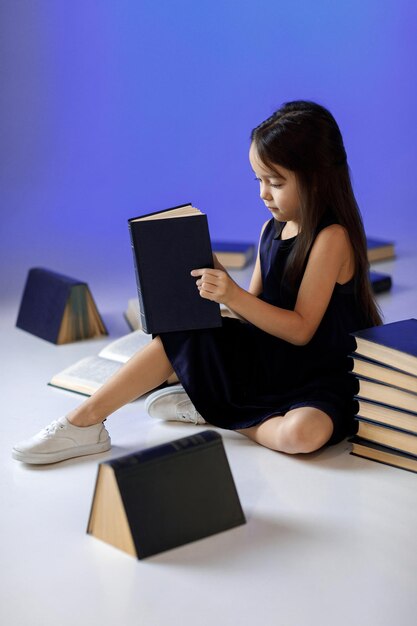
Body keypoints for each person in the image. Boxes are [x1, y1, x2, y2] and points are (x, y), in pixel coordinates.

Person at [13, 100, 382, 465]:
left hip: (319, 373)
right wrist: (207, 293)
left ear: (317, 178)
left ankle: (210, 407)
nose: (263, 194)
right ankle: (83, 422)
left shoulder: (332, 238)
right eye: (259, 180)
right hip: (270, 362)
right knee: (182, 333)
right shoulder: (272, 228)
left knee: (302, 435)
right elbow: (255, 310)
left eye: (276, 182)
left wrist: (232, 294)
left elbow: (301, 330)